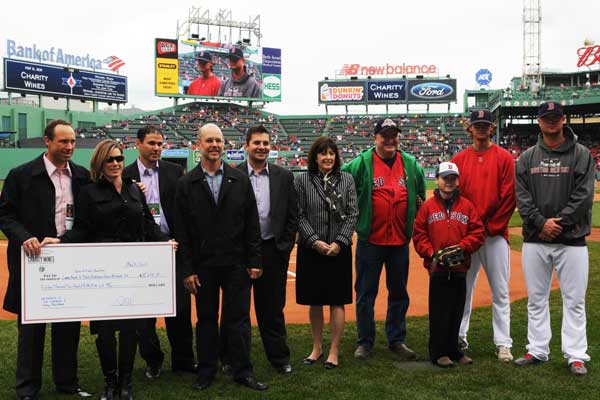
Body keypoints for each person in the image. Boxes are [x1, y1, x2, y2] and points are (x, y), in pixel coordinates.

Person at [48, 139, 174, 400]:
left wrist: (164, 242)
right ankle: (110, 382)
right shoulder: (89, 192)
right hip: (102, 271)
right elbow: (81, 229)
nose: (116, 163)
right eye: (110, 160)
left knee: (130, 330)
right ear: (100, 163)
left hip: (133, 271)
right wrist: (60, 240)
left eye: (118, 158)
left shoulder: (134, 190)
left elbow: (149, 225)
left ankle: (126, 383)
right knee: (105, 332)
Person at [0, 119, 92, 400]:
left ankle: (67, 383)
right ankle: (27, 388)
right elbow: (5, 215)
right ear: (47, 141)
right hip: (33, 260)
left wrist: (66, 241)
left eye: (73, 141)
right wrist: (23, 236)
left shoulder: (82, 176)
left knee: (68, 327)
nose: (69, 147)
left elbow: (89, 220)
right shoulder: (22, 174)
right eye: (63, 141)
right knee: (32, 329)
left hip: (68, 258)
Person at [175, 123, 268, 391]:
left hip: (236, 263)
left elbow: (252, 223)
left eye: (218, 140)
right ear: (199, 144)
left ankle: (242, 370)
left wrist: (255, 260)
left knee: (238, 320)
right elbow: (182, 231)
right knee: (205, 320)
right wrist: (188, 270)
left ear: (224, 144)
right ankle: (206, 371)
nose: (214, 145)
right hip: (203, 265)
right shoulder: (186, 183)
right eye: (209, 141)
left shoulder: (239, 179)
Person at [514, 102, 595, 376]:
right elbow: (522, 198)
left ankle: (575, 355)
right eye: (546, 118)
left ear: (563, 120)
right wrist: (541, 223)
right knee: (536, 299)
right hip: (536, 239)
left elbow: (584, 196)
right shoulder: (527, 157)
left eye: (555, 118)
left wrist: (558, 223)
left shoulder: (582, 154)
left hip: (571, 239)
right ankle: (537, 349)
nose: (551, 122)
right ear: (539, 122)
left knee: (574, 300)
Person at [342, 118, 425, 360]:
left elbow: (420, 196)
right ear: (375, 138)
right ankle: (365, 341)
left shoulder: (410, 164)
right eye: (384, 135)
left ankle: (396, 339)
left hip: (399, 241)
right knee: (366, 293)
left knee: (398, 291)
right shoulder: (361, 163)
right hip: (371, 242)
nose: (390, 140)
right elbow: (341, 184)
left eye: (393, 135)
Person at [220, 125, 298, 374]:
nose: (262, 147)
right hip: (240, 253)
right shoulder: (231, 175)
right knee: (235, 309)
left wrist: (283, 247)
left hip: (272, 250)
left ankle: (279, 358)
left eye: (266, 143)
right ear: (247, 146)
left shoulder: (283, 176)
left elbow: (292, 216)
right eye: (257, 143)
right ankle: (230, 358)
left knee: (272, 308)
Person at [122, 126, 196, 378]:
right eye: (152, 143)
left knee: (180, 308)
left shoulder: (174, 172)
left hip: (171, 247)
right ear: (138, 144)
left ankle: (184, 362)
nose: (156, 148)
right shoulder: (125, 174)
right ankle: (153, 360)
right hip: (140, 251)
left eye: (160, 144)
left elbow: (185, 210)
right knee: (144, 314)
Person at [451, 109, 515, 362]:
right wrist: (469, 229)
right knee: (463, 289)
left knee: (500, 291)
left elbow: (509, 196)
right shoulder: (459, 159)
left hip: (495, 235)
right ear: (470, 128)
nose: (480, 128)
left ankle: (503, 343)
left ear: (492, 128)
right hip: (468, 235)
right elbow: (455, 198)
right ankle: (459, 335)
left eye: (485, 124)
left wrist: (491, 226)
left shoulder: (504, 158)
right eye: (477, 124)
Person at [413, 162, 484, 368]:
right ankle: (438, 352)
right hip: (438, 269)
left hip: (460, 267)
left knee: (456, 310)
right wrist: (433, 254)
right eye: (445, 178)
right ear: (437, 180)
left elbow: (477, 232)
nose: (449, 182)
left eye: (452, 178)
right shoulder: (427, 206)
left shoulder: (467, 206)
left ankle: (454, 349)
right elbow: (419, 234)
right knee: (439, 312)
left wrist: (461, 248)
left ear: (457, 181)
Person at [295, 137, 358, 369]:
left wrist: (340, 243)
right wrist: (314, 241)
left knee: (337, 301)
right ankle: (317, 347)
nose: (328, 157)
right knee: (315, 301)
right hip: (312, 249)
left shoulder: (346, 179)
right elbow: (299, 214)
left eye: (331, 153)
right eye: (323, 153)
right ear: (315, 157)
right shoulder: (302, 180)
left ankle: (334, 350)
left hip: (338, 250)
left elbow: (352, 213)